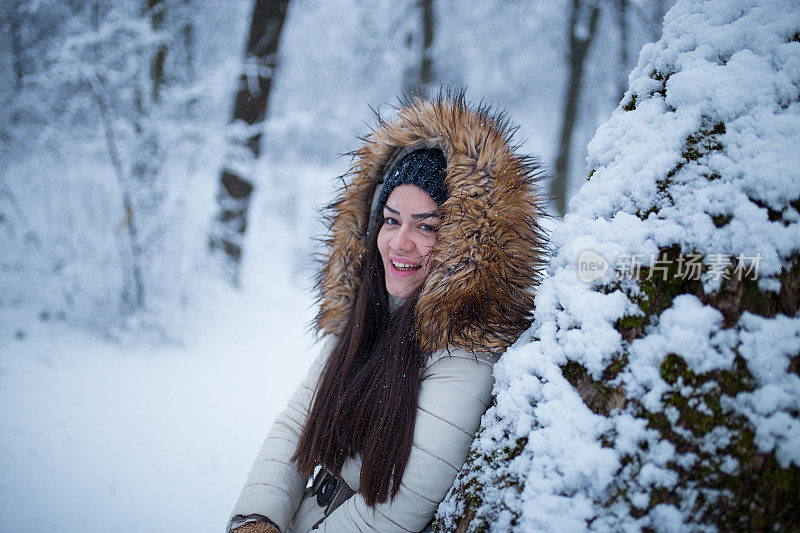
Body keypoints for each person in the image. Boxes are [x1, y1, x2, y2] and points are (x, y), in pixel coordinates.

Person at [227, 92, 548, 533]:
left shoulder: (461, 355)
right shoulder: (367, 317)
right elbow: (293, 430)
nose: (400, 243)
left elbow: (397, 510)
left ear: (467, 245)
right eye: (392, 220)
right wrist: (259, 519)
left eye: (428, 226)